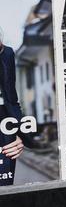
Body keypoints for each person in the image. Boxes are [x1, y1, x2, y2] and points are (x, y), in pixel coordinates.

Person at [0, 27, 25, 185]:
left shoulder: (6, 54)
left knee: (5, 186)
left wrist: (19, 133)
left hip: (4, 125)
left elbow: (11, 98)